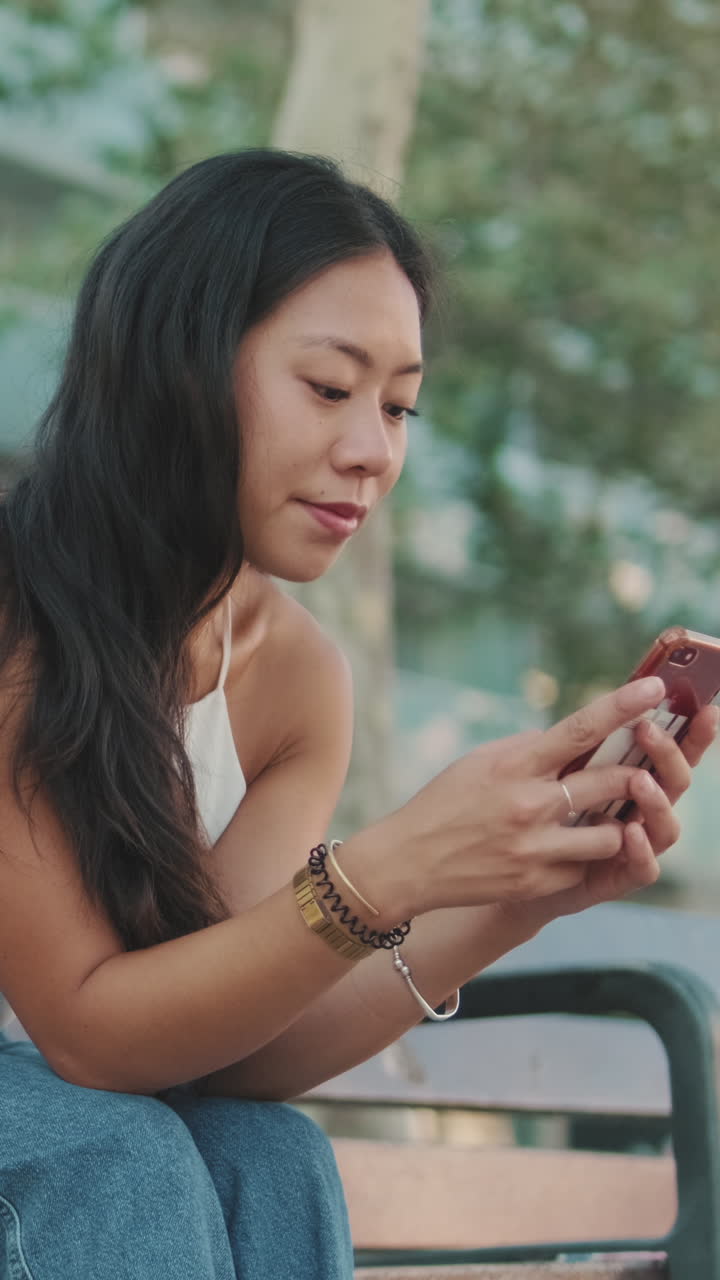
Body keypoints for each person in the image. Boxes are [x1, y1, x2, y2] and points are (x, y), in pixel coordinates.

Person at [0, 149, 714, 1280]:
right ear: (178, 361)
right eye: (330, 388)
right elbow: (89, 1034)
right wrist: (385, 867)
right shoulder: (20, 608)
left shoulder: (292, 674)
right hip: (68, 1135)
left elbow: (228, 1045)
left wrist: (503, 898)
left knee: (270, 1154)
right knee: (116, 1148)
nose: (374, 451)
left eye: (399, 406)